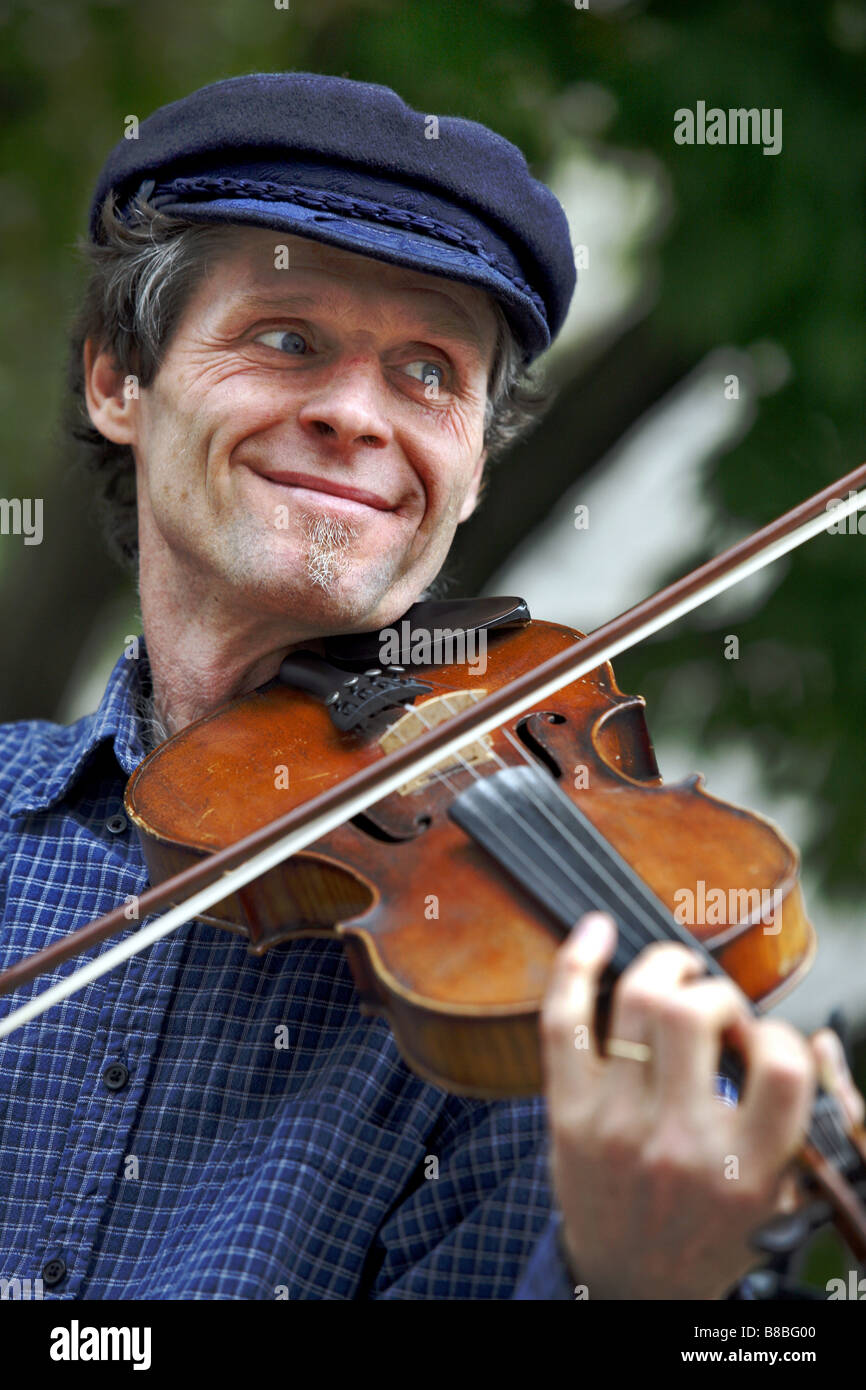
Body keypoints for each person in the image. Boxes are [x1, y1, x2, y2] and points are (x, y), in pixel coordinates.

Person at [0, 72, 860, 1302]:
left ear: (469, 470)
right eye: (288, 339)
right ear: (116, 382)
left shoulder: (536, 998)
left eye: (427, 374)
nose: (357, 415)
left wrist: (633, 1282)